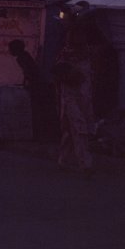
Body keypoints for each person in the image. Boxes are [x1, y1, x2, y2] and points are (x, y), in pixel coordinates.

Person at [52, 24, 95, 175]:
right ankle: (85, 164)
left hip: (85, 98)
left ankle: (64, 160)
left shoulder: (88, 55)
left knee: (72, 131)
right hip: (70, 98)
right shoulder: (65, 55)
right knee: (79, 127)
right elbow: (58, 75)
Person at [8, 39, 52, 142]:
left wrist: (27, 83)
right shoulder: (24, 56)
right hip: (37, 85)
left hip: (36, 86)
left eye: (10, 49)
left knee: (37, 110)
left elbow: (28, 72)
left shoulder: (22, 58)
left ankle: (39, 135)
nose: (9, 51)